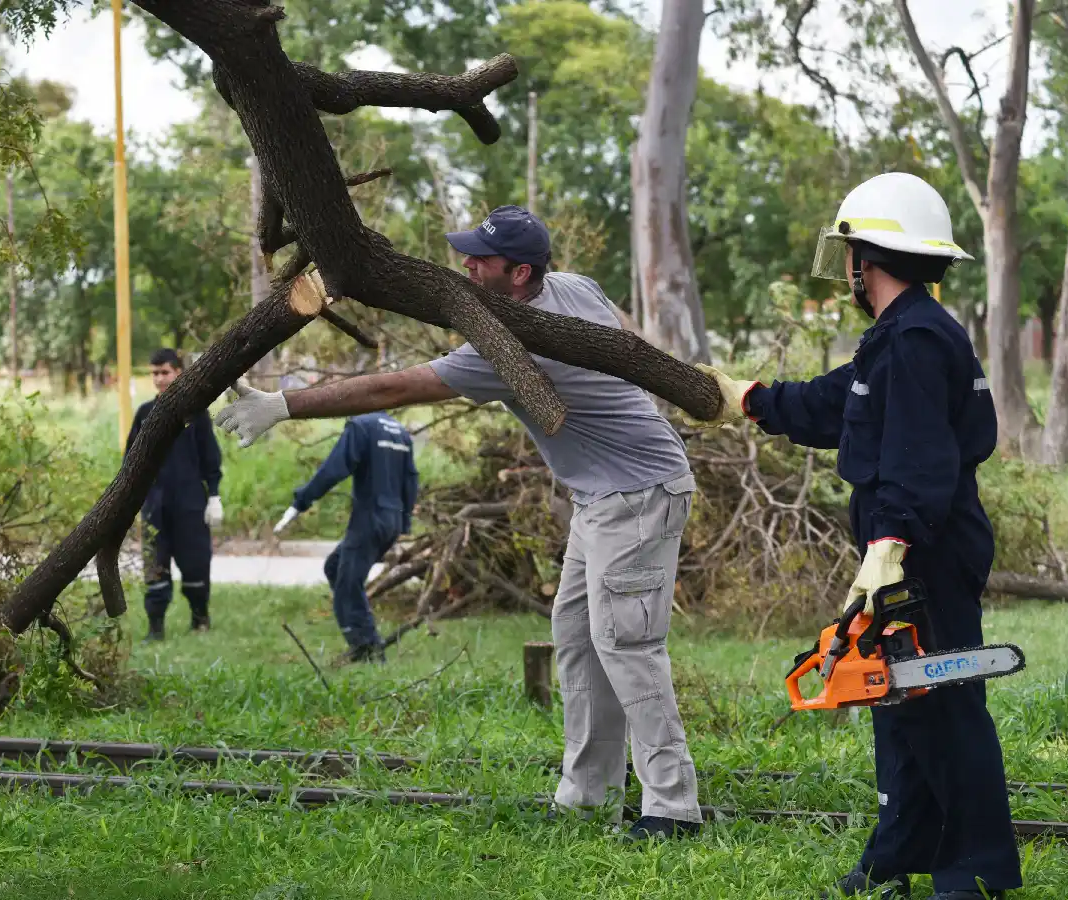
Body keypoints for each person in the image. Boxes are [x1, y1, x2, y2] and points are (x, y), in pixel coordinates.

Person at [214, 205, 703, 840]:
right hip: (603, 498)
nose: (466, 265)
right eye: (467, 252)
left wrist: (285, 404)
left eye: (482, 259)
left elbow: (392, 391)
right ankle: (587, 796)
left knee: (629, 648)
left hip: (639, 493)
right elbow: (634, 341)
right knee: (580, 641)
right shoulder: (575, 288)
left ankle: (673, 808)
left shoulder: (505, 349)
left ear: (520, 273)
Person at [688, 173, 1021, 899]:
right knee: (898, 706)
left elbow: (916, 453)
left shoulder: (917, 341)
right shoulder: (900, 337)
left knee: (945, 707)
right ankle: (898, 856)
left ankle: (977, 871)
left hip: (921, 551)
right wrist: (749, 399)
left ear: (865, 259)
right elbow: (837, 403)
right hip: (905, 551)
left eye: (852, 257)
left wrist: (888, 547)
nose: (850, 272)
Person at [272, 411, 419, 662]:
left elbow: (334, 469)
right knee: (335, 567)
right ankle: (366, 640)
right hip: (391, 519)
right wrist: (403, 522)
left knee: (347, 587)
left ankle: (368, 650)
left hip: (370, 519)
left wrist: (301, 501)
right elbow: (410, 479)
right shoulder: (399, 430)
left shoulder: (361, 426)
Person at [126, 348, 224, 641]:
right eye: (154, 373)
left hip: (190, 505)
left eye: (165, 372)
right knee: (155, 567)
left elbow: (210, 458)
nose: (159, 379)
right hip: (155, 506)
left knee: (195, 563)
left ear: (178, 372)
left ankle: (200, 618)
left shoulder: (196, 414)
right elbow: (130, 462)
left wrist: (214, 496)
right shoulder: (144, 414)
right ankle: (156, 627)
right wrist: (129, 503)